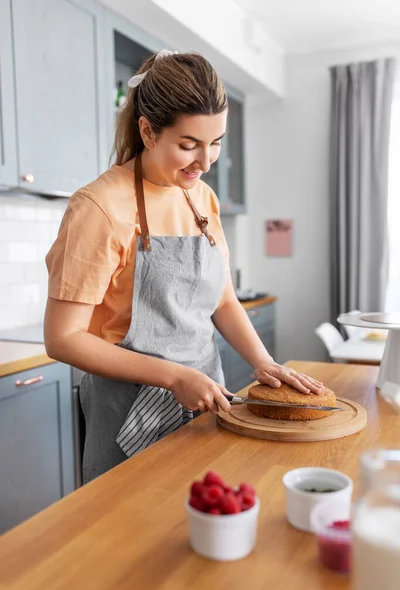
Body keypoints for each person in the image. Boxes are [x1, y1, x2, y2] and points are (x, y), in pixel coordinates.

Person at [44, 50, 323, 483]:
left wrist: (264, 362)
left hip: (202, 400)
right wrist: (173, 376)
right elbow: (62, 339)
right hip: (126, 413)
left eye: (216, 143)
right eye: (189, 145)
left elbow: (223, 300)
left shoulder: (201, 197)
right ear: (148, 131)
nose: (206, 161)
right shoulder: (99, 207)